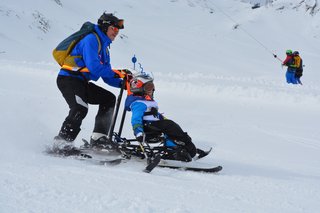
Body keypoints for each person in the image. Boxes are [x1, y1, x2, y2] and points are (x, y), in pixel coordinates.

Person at [54, 12, 125, 149]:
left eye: (118, 30)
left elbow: (106, 77)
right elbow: (94, 68)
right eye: (114, 28)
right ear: (105, 27)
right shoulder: (91, 39)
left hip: (81, 82)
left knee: (108, 99)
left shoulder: (104, 48)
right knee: (80, 107)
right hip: (68, 79)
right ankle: (61, 143)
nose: (116, 32)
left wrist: (125, 84)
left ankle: (99, 138)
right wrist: (117, 74)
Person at [124, 72, 197, 161]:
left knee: (170, 126)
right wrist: (138, 132)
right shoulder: (139, 103)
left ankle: (182, 146)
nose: (152, 89)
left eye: (152, 87)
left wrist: (164, 119)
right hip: (148, 127)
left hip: (154, 125)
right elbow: (136, 119)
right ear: (139, 88)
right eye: (149, 87)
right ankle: (176, 148)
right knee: (169, 125)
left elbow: (156, 115)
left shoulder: (149, 101)